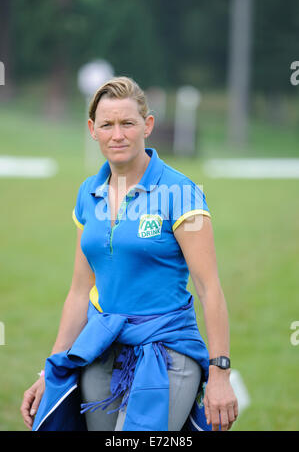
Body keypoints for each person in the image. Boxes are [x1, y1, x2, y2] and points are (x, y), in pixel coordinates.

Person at [21, 76, 238, 432]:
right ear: (93, 129)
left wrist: (220, 374)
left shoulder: (180, 192)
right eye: (107, 124)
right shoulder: (88, 193)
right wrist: (51, 369)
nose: (117, 135)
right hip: (101, 350)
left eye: (128, 123)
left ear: (147, 126)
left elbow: (209, 287)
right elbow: (79, 291)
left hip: (168, 353)